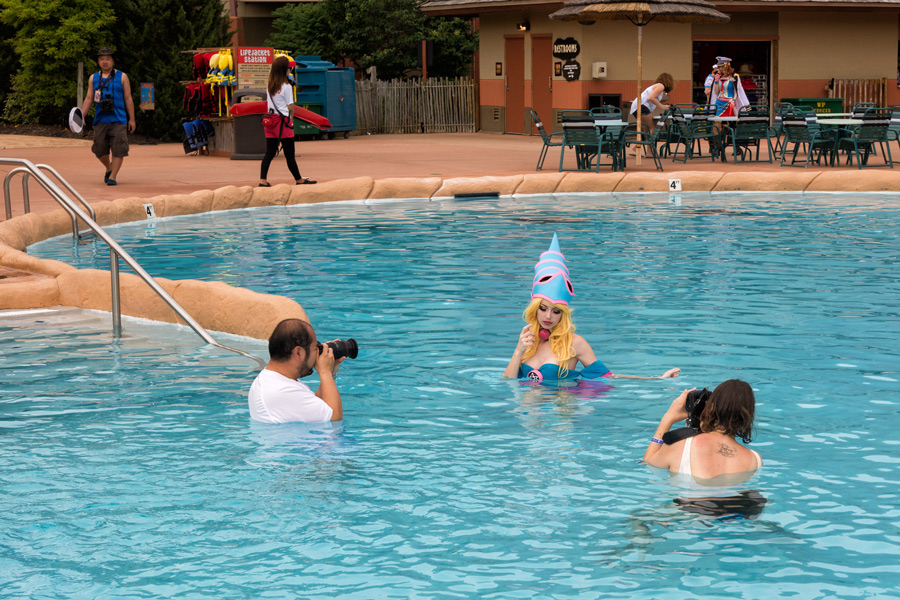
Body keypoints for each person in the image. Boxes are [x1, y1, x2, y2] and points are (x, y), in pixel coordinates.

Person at [502, 233, 681, 384]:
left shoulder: (575, 342)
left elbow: (607, 377)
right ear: (535, 309)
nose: (548, 316)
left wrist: (657, 379)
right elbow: (508, 382)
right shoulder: (528, 340)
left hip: (558, 411)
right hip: (527, 411)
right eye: (543, 309)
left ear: (563, 315)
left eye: (556, 311)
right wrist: (518, 350)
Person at [643, 379, 762, 481]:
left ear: (711, 407)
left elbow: (648, 465)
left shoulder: (681, 445)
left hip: (687, 506)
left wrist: (668, 418)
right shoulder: (755, 460)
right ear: (747, 416)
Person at [248, 318, 344, 423]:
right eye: (315, 348)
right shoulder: (280, 390)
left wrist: (330, 373)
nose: (317, 355)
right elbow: (335, 420)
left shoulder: (275, 381)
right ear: (298, 353)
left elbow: (317, 407)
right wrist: (324, 371)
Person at [79, 47, 136, 187]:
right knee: (99, 149)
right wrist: (80, 116)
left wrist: (132, 119)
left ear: (113, 61)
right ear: (98, 61)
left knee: (119, 148)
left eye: (108, 59)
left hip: (118, 119)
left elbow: (128, 98)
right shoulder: (93, 78)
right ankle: (109, 168)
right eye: (102, 59)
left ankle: (113, 176)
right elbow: (88, 98)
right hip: (101, 119)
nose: (105, 62)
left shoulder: (122, 76)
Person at [259, 55, 316, 187]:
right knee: (290, 154)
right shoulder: (286, 87)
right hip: (283, 123)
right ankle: (299, 180)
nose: (290, 70)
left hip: (270, 122)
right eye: (289, 68)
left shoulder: (269, 85)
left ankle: (263, 180)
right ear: (284, 70)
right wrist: (292, 120)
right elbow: (290, 107)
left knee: (269, 152)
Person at [629, 72, 675, 137]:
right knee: (652, 128)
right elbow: (651, 98)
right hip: (642, 106)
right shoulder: (661, 86)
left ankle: (637, 146)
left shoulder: (655, 86)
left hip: (635, 107)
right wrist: (662, 106)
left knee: (646, 130)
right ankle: (650, 146)